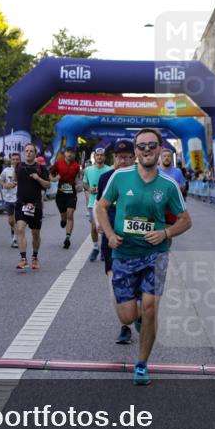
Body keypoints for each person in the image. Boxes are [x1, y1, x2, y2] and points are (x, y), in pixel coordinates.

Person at [94, 129, 192, 385]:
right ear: (136, 151)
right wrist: (109, 234)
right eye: (141, 146)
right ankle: (136, 319)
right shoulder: (120, 177)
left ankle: (141, 364)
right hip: (124, 253)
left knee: (149, 308)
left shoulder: (169, 185)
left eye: (151, 145)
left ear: (160, 149)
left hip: (154, 255)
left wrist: (166, 233)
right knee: (127, 316)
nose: (146, 150)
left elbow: (185, 220)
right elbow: (101, 206)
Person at [96, 141, 137, 343]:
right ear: (114, 158)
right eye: (120, 157)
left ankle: (137, 313)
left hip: (137, 242)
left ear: (134, 158)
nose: (123, 161)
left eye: (127, 157)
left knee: (137, 287)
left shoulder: (142, 178)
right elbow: (99, 206)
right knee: (115, 287)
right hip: (112, 241)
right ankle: (125, 326)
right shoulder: (106, 178)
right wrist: (100, 224)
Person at [14, 143, 51, 270]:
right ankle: (23, 259)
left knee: (35, 234)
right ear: (24, 153)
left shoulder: (41, 168)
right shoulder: (19, 166)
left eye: (31, 151)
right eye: (26, 151)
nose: (28, 153)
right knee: (20, 229)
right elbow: (15, 179)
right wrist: (11, 183)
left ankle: (35, 257)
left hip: (36, 205)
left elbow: (48, 185)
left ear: (35, 154)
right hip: (21, 204)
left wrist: (38, 178)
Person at [50, 146, 82, 249]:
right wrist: (55, 179)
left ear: (74, 155)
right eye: (68, 152)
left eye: (72, 152)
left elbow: (77, 178)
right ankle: (62, 219)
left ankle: (67, 238)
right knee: (64, 215)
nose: (70, 154)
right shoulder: (58, 163)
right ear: (65, 153)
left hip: (71, 194)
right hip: (60, 194)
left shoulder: (76, 166)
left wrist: (78, 184)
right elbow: (50, 175)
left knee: (70, 214)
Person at [83, 147, 111, 262]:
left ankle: (104, 249)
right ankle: (95, 247)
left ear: (105, 157)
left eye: (101, 155)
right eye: (97, 155)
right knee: (94, 226)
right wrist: (89, 188)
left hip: (106, 203)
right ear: (94, 157)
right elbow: (85, 183)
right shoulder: (88, 170)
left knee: (105, 226)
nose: (99, 157)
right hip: (92, 203)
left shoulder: (110, 169)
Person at [0, 151, 22, 246]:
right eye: (13, 159)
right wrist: (5, 185)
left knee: (18, 220)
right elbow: (1, 180)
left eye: (17, 159)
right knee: (11, 221)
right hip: (8, 198)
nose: (15, 161)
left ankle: (15, 238)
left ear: (20, 160)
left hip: (19, 198)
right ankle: (14, 232)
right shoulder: (6, 170)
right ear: (11, 160)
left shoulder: (23, 170)